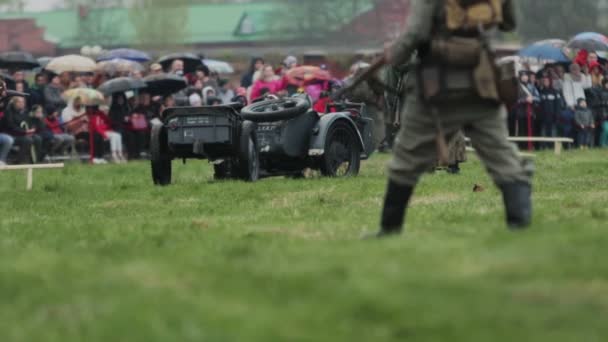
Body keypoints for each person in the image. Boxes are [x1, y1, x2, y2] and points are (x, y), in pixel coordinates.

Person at [373, 0, 532, 238]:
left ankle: (389, 229)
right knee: (501, 154)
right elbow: (509, 23)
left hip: (436, 85)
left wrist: (393, 54)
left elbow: (416, 32)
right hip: (482, 82)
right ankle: (520, 223)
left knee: (406, 158)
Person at [1, 96, 43, 163]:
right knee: (27, 140)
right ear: (15, 103)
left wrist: (38, 121)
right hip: (11, 134)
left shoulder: (24, 112)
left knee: (37, 138)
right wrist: (25, 131)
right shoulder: (8, 112)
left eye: (23, 102)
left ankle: (36, 161)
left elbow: (29, 124)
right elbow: (10, 126)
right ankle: (19, 161)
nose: (22, 103)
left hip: (22, 133)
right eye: (20, 102)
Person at [538, 76, 564, 148]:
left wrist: (557, 116)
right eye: (544, 81)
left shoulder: (555, 92)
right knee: (543, 132)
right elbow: (540, 105)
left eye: (547, 81)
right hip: (544, 117)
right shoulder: (541, 92)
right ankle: (543, 146)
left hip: (553, 116)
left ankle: (553, 147)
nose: (545, 82)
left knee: (553, 132)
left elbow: (558, 106)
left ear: (550, 82)